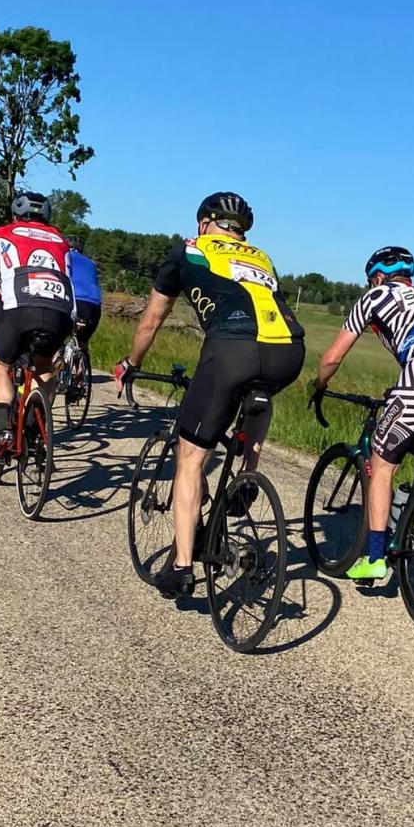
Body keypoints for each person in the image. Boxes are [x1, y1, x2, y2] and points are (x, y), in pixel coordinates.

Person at [115, 192, 305, 600]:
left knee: (191, 458)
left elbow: (151, 319)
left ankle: (183, 567)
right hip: (290, 353)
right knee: (259, 393)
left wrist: (131, 362)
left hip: (231, 350)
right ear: (242, 231)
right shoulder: (262, 257)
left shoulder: (188, 249)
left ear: (204, 222)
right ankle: (245, 473)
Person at [313, 246, 414, 581]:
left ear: (376, 277)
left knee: (382, 462)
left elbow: (332, 357)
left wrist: (317, 386)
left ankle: (375, 558)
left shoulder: (373, 297)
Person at [0, 192, 74, 460]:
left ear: (16, 214)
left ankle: (3, 430)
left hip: (20, 307)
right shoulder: (60, 240)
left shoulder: (4, 234)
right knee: (45, 369)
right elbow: (68, 280)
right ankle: (35, 423)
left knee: (0, 366)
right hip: (59, 312)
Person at [67, 240, 102, 349]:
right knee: (82, 343)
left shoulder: (66, 257)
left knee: (57, 337)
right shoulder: (91, 263)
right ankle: (83, 363)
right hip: (94, 305)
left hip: (75, 301)